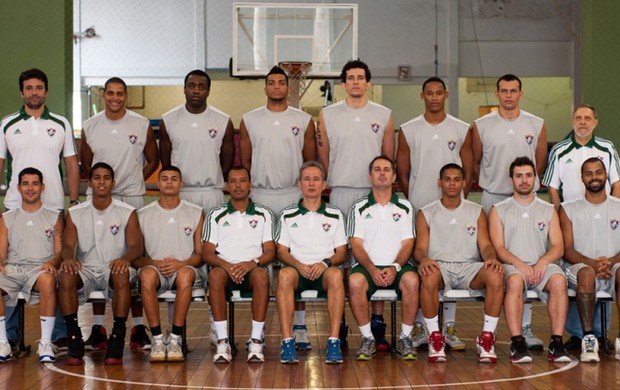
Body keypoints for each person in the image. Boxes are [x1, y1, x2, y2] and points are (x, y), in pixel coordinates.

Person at [316, 59, 395, 350]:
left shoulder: (384, 114)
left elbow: (387, 157)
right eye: (350, 77)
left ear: (369, 83)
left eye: (361, 77)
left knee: (376, 256)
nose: (356, 82)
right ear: (343, 83)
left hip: (373, 196)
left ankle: (376, 322)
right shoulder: (328, 114)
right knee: (343, 259)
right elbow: (324, 157)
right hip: (341, 193)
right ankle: (342, 322)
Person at [0, 69, 80, 349]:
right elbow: (0, 162)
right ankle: (9, 335)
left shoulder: (60, 123)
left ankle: (57, 334)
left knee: (52, 269)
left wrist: (73, 200)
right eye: (29, 88)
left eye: (39, 88)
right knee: (11, 268)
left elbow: (71, 163)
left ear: (46, 91)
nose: (34, 92)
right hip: (14, 206)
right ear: (22, 92)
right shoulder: (7, 124)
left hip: (54, 205)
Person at [239, 66, 316, 350]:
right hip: (259, 194)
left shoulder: (304, 119)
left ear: (288, 87)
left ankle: (299, 326)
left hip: (291, 195)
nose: (276, 87)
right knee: (256, 261)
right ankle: (255, 330)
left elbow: (310, 163)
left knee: (294, 260)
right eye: (271, 83)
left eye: (281, 83)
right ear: (266, 88)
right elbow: (245, 163)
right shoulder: (250, 119)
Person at [80, 77, 158, 350]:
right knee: (98, 259)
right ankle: (99, 327)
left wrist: (135, 179)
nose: (115, 97)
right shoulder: (90, 126)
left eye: (120, 93)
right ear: (103, 95)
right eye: (110, 93)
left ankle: (137, 329)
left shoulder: (140, 124)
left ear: (126, 96)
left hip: (132, 198)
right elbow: (86, 165)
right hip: (99, 199)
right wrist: (104, 187)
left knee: (131, 262)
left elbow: (153, 160)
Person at [471, 73, 548, 349]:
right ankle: (485, 330)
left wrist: (524, 185)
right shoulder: (481, 125)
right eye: (503, 90)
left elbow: (538, 162)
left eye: (513, 90)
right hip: (493, 197)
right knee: (492, 264)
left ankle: (525, 328)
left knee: (526, 262)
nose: (508, 95)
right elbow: (476, 161)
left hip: (527, 199)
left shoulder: (535, 123)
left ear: (520, 94)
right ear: (497, 93)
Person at [396, 76, 472, 351]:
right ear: (422, 96)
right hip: (420, 205)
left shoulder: (461, 128)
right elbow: (402, 172)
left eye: (439, 92)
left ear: (446, 94)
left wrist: (455, 195)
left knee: (452, 261)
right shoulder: (408, 129)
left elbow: (469, 170)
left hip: (454, 207)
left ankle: (448, 326)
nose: (435, 97)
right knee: (423, 264)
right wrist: (415, 195)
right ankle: (419, 326)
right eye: (430, 93)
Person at [543, 104, 620, 350]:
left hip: (606, 216)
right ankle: (579, 335)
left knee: (607, 270)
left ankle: (600, 334)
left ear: (595, 122)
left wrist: (614, 208)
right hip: (573, 220)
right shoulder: (559, 149)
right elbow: (552, 188)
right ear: (572, 120)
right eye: (578, 117)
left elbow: (616, 182)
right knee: (583, 273)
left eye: (588, 118)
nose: (583, 122)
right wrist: (559, 216)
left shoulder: (607, 148)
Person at [415, 163, 503, 363]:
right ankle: (435, 338)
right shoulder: (426, 212)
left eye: (456, 179)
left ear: (464, 183)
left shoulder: (477, 211)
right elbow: (419, 249)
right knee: (428, 276)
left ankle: (487, 339)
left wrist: (491, 257)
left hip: (469, 267)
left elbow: (486, 245)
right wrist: (424, 259)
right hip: (440, 266)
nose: (452, 183)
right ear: (440, 183)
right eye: (447, 179)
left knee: (496, 274)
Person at [58, 163, 143, 365]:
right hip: (86, 266)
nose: (101, 182)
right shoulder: (76, 212)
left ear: (113, 183)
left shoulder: (127, 212)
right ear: (90, 182)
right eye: (97, 177)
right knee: (65, 274)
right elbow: (68, 245)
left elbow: (136, 246)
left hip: (114, 265)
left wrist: (125, 259)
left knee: (122, 273)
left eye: (106, 178)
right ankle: (74, 337)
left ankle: (117, 336)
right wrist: (68, 258)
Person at [489, 156, 570, 363]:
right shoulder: (499, 209)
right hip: (513, 266)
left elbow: (558, 247)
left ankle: (556, 343)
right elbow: (498, 248)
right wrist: (520, 264)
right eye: (519, 176)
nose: (524, 180)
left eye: (528, 175)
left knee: (559, 281)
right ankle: (517, 343)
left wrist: (542, 262)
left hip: (542, 264)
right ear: (511, 180)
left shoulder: (548, 209)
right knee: (515, 281)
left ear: (536, 178)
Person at [348, 156, 419, 361]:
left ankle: (405, 338)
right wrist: (371, 269)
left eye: (386, 170)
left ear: (394, 176)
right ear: (370, 176)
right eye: (377, 170)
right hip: (367, 267)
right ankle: (367, 338)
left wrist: (395, 267)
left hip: (397, 266)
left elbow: (408, 243)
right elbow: (356, 244)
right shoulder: (358, 207)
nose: (382, 173)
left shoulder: (406, 207)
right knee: (354, 282)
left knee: (413, 281)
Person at [276, 161, 347, 364]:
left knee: (336, 274)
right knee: (284, 274)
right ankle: (287, 341)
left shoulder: (335, 214)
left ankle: (333, 342)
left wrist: (324, 263)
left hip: (323, 272)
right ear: (299, 184)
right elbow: (281, 251)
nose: (311, 183)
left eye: (316, 179)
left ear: (324, 184)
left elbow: (342, 252)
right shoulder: (287, 214)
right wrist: (298, 265)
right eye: (307, 179)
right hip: (297, 271)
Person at [203, 166, 275, 363]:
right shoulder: (216, 214)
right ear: (227, 186)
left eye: (242, 180)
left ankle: (256, 341)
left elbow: (270, 251)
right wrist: (227, 266)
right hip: (224, 270)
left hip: (252, 270)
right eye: (233, 181)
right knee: (215, 275)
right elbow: (207, 252)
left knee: (261, 275)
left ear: (250, 185)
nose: (238, 185)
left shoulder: (264, 214)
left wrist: (251, 264)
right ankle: (222, 341)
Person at [136, 166, 204, 362]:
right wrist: (154, 263)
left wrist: (181, 263)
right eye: (164, 178)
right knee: (146, 275)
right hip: (154, 269)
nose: (169, 182)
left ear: (181, 184)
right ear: (157, 184)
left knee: (185, 275)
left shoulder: (195, 212)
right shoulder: (143, 214)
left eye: (174, 178)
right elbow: (137, 257)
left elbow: (200, 255)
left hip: (184, 267)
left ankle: (175, 338)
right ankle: (157, 339)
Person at [559, 157, 620, 362]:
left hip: (613, 267)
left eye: (599, 172)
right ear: (582, 178)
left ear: (606, 175)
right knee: (586, 273)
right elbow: (567, 250)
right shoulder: (568, 208)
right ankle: (588, 339)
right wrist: (594, 265)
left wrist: (609, 262)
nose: (595, 177)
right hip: (580, 268)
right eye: (589, 173)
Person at [0, 168, 63, 363]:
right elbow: (1, 253)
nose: (30, 188)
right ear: (18, 188)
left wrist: (52, 262)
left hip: (40, 269)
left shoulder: (54, 217)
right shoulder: (7, 218)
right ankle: (3, 343)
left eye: (35, 183)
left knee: (47, 280)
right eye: (25, 184)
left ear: (42, 187)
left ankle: (45, 342)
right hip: (13, 269)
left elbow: (60, 253)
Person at [159, 69, 235, 214]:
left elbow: (227, 162)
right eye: (191, 86)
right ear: (184, 89)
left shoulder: (223, 121)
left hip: (212, 193)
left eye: (201, 87)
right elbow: (166, 162)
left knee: (210, 237)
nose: (196, 91)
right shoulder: (168, 120)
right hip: (180, 192)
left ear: (208, 91)